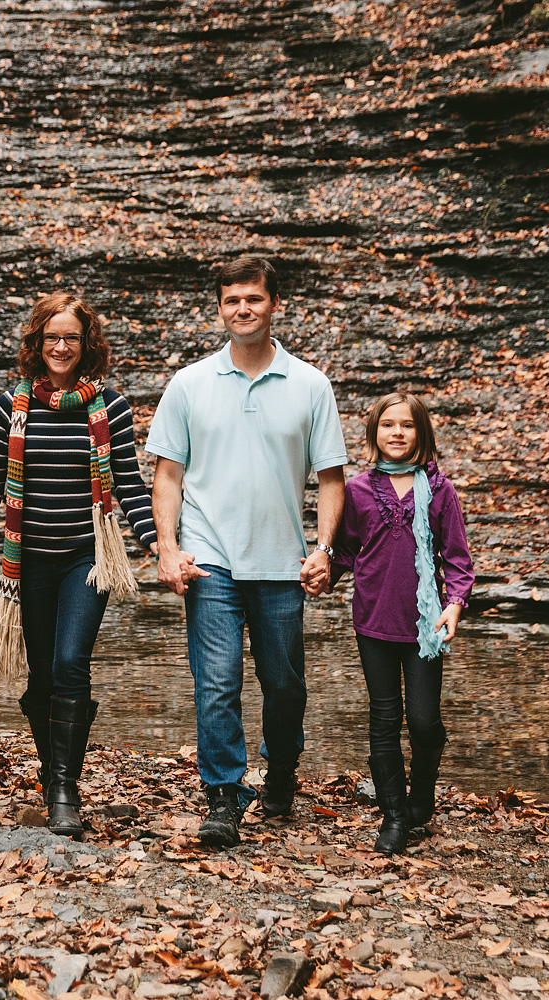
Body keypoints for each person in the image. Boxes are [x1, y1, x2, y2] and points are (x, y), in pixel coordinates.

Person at [146, 256, 348, 849]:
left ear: (273, 304)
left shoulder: (311, 384)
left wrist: (326, 550)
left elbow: (331, 477)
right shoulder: (189, 384)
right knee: (216, 682)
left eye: (253, 299)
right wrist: (167, 545)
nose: (243, 309)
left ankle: (281, 768)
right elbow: (167, 476)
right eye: (232, 300)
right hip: (209, 556)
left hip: (283, 561)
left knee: (285, 686)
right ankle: (225, 794)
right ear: (219, 308)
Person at [0, 292, 158, 838]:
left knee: (71, 662)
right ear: (37, 344)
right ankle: (52, 771)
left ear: (86, 343)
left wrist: (157, 544)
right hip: (28, 562)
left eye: (71, 337)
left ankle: (65, 786)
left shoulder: (110, 406)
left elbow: (129, 484)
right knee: (41, 676)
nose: (62, 346)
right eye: (52, 338)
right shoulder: (10, 406)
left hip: (87, 559)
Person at [330, 392, 474, 854]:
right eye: (388, 425)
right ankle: (394, 816)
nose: (397, 432)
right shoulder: (357, 490)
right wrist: (321, 572)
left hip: (425, 625)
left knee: (425, 721)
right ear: (374, 433)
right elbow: (348, 551)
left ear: (421, 433)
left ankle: (423, 792)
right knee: (384, 718)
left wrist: (454, 604)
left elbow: (457, 559)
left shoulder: (440, 489)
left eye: (407, 425)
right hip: (372, 619)